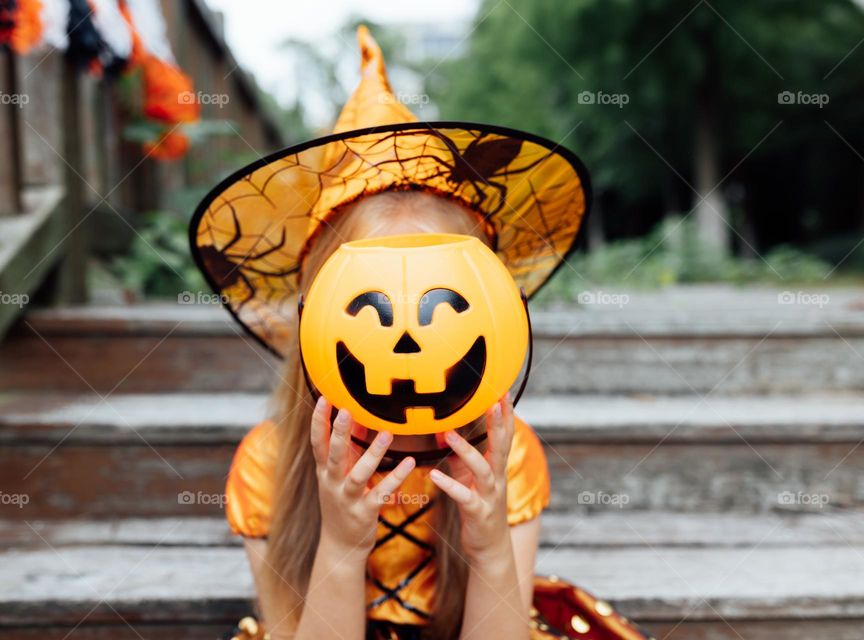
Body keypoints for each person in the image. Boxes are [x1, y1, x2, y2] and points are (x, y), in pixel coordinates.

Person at [190, 25, 649, 640]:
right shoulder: (270, 465)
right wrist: (343, 546)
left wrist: (486, 546)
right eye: (372, 306)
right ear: (317, 316)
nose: (407, 339)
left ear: (492, 303)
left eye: (440, 304)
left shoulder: (502, 458)